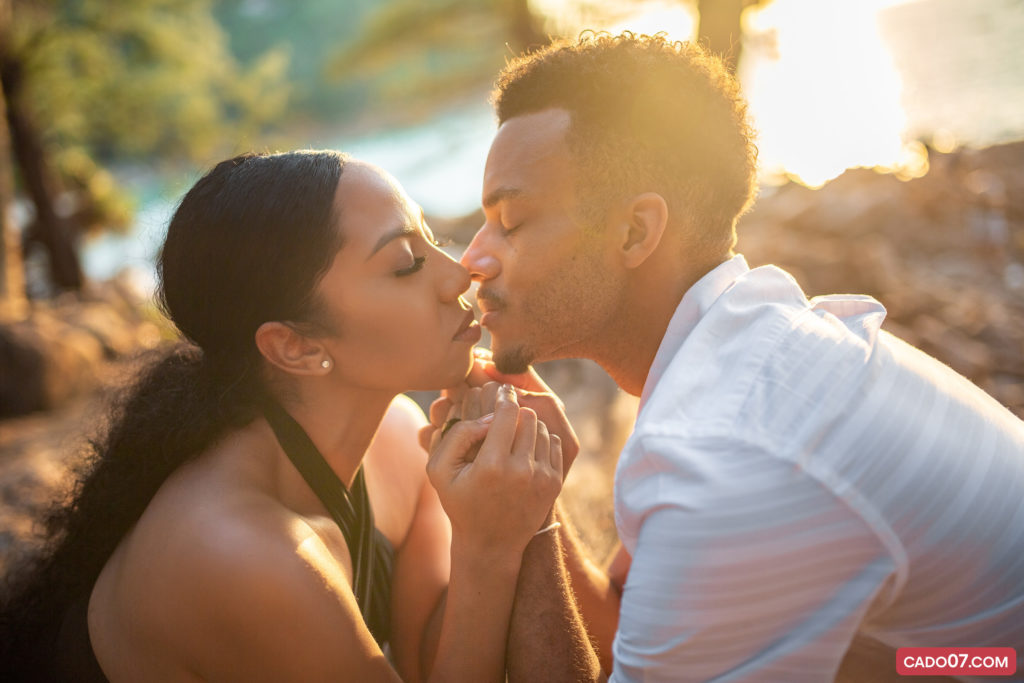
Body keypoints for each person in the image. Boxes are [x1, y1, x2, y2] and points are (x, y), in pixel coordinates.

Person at [428, 32, 1024, 681]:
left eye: (511, 221)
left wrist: (505, 537)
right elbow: (637, 630)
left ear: (635, 231)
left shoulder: (721, 445)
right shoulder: (747, 340)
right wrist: (534, 509)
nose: (472, 259)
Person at [0, 150, 565, 682]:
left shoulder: (398, 435)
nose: (459, 275)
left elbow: (428, 659)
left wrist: (506, 499)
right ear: (295, 346)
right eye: (406, 263)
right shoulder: (241, 552)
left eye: (432, 239)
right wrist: (489, 548)